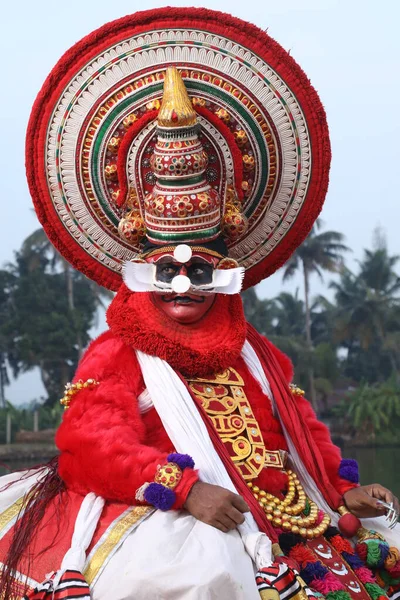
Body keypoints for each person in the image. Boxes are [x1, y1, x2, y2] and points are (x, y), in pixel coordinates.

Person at [0, 7, 399, 600]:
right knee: (198, 576)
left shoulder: (255, 351)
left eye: (200, 270)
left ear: (224, 274)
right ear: (141, 273)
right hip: (181, 513)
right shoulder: (119, 351)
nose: (182, 286)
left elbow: (299, 427)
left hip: (294, 521)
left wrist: (341, 489)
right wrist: (184, 491)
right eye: (166, 271)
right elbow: (90, 446)